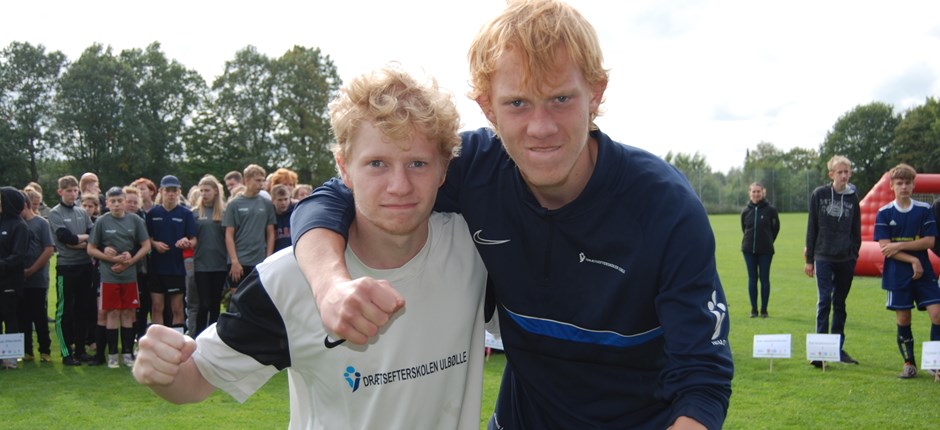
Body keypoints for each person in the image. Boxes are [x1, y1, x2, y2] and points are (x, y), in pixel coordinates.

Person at [290, 1, 733, 428]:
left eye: (560, 98)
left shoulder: (664, 206)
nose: (540, 127)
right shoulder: (475, 169)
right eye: (517, 103)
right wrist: (330, 286)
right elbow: (335, 197)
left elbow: (703, 377)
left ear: (595, 93)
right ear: (487, 107)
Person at [133, 64, 488, 429]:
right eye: (377, 163)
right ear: (344, 168)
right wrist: (164, 371)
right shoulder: (287, 279)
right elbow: (195, 379)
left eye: (418, 163)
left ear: (444, 170)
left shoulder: (475, 249)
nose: (399, 185)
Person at [873, 164, 939, 380]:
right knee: (903, 319)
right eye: (899, 183)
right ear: (891, 186)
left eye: (907, 183)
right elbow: (885, 248)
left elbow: (929, 241)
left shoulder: (924, 209)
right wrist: (912, 259)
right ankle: (909, 363)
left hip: (924, 273)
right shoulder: (884, 213)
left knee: (937, 314)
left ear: (914, 185)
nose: (904, 187)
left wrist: (899, 246)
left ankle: (936, 363)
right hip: (897, 274)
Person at [805, 155, 862, 367]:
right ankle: (819, 352)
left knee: (840, 303)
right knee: (824, 301)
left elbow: (856, 229)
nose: (844, 175)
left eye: (847, 172)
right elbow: (812, 227)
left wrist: (854, 253)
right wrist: (810, 259)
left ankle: (837, 349)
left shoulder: (853, 197)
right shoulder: (819, 195)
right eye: (840, 172)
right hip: (823, 255)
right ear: (831, 174)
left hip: (846, 258)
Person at [87, 187, 151, 368]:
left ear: (125, 201)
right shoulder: (101, 222)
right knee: (112, 313)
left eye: (119, 201)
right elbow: (91, 249)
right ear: (106, 203)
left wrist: (130, 262)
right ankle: (113, 355)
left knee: (129, 313)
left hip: (130, 276)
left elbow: (146, 246)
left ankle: (128, 353)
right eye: (112, 201)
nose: (116, 204)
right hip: (109, 276)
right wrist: (110, 257)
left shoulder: (135, 220)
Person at [48, 175, 96, 365]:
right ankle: (66, 352)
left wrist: (80, 241)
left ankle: (81, 351)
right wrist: (80, 241)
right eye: (68, 191)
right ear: (60, 192)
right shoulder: (55, 213)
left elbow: (93, 236)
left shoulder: (82, 212)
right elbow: (67, 239)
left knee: (82, 310)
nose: (72, 194)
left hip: (84, 266)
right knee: (64, 311)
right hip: (67, 267)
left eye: (75, 190)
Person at [146, 175, 197, 331]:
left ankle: (177, 344)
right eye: (168, 190)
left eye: (174, 190)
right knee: (157, 307)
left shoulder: (186, 213)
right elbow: (146, 239)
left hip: (176, 267)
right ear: (161, 191)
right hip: (156, 267)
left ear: (179, 192)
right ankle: (157, 344)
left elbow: (194, 240)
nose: (171, 194)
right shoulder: (152, 213)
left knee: (177, 307)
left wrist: (186, 242)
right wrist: (154, 244)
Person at [222, 164, 275, 296]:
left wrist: (268, 259)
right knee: (237, 300)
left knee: (258, 300)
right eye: (258, 180)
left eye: (263, 180)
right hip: (239, 261)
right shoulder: (234, 204)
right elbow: (229, 235)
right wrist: (234, 261)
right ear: (246, 180)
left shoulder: (266, 204)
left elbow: (271, 233)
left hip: (259, 260)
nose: (261, 184)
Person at [19, 188, 55, 363]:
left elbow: (49, 249)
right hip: (19, 280)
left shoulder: (41, 223)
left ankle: (45, 350)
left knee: (39, 315)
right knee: (22, 316)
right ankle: (26, 351)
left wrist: (31, 270)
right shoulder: (15, 224)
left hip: (38, 279)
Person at [192, 175, 228, 336]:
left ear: (215, 191)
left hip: (220, 263)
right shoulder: (194, 213)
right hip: (201, 264)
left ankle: (213, 338)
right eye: (201, 191)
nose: (204, 194)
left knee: (215, 304)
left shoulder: (224, 213)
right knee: (204, 303)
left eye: (207, 190)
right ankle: (199, 336)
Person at [741, 182, 780, 318]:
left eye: (759, 191)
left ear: (763, 192)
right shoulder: (745, 211)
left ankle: (764, 310)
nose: (756, 194)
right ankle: (753, 310)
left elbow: (775, 229)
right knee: (752, 279)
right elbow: (744, 229)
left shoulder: (771, 210)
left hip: (766, 251)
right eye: (754, 191)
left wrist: (768, 241)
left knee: (764, 279)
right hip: (748, 250)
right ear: (749, 193)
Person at [1, 187, 29, 369]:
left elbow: (18, 256)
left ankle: (11, 359)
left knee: (10, 317)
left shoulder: (19, 226)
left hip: (10, 281)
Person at [271, 184, 294, 252]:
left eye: (286, 199)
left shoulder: (295, 212)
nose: (283, 203)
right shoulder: (270, 214)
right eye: (280, 200)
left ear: (290, 198)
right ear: (273, 200)